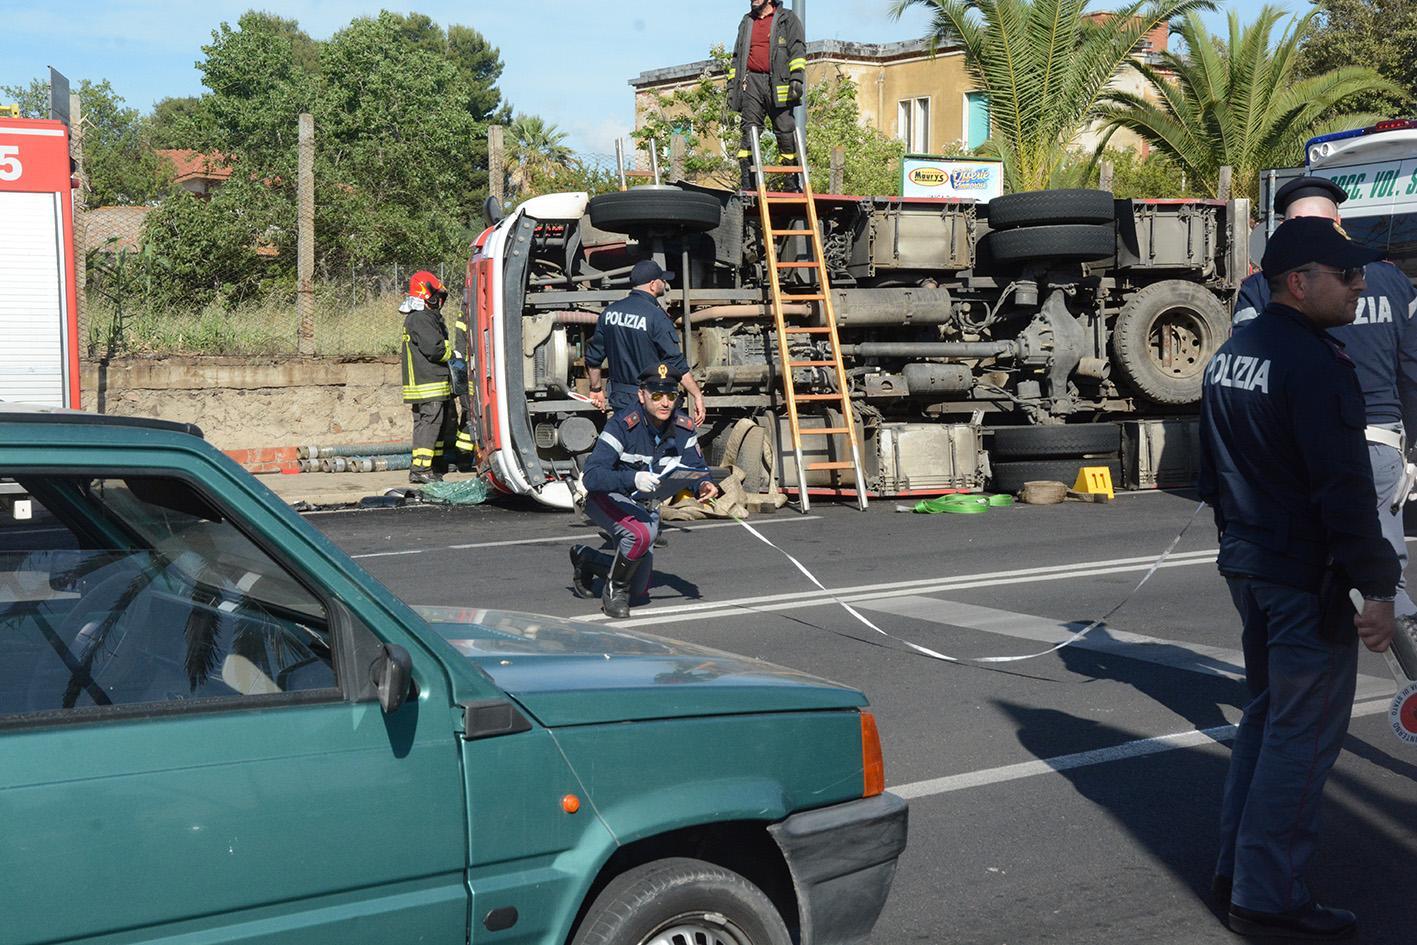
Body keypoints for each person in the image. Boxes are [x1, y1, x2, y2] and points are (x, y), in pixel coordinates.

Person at [1199, 216, 1399, 940]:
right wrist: (1376, 590)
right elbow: (1343, 494)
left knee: (1265, 717)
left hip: (1249, 564)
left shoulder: (1233, 352)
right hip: (1300, 576)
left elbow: (1209, 478)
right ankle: (1268, 890)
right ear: (1297, 281)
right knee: (1303, 733)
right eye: (1344, 275)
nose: (1358, 285)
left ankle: (1235, 867)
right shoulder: (1316, 364)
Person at [570, 363, 719, 618]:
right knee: (640, 534)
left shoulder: (683, 427)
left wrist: (703, 484)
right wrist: (633, 478)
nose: (665, 403)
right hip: (607, 498)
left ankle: (587, 558)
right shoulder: (622, 425)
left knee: (640, 590)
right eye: (657, 395)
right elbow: (592, 477)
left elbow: (695, 467)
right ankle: (614, 591)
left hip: (645, 505)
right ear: (642, 395)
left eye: (671, 396)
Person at [585, 259, 706, 424]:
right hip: (651, 401)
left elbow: (594, 357)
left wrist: (596, 389)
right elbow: (675, 363)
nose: (665, 283)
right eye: (662, 280)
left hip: (620, 401)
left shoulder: (609, 313)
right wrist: (697, 394)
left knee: (627, 445)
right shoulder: (657, 317)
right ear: (653, 284)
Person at [728, 0, 806, 191]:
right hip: (751, 83)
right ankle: (748, 183)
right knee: (748, 131)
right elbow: (737, 57)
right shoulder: (746, 22)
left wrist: (797, 78)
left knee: (785, 132)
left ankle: (791, 183)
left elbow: (797, 49)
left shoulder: (787, 19)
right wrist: (732, 87)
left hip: (779, 83)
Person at [399, 270, 457, 484]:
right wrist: (454, 353)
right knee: (429, 424)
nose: (440, 301)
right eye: (437, 296)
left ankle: (433, 465)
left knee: (435, 424)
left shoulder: (421, 317)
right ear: (427, 295)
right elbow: (435, 349)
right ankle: (421, 470)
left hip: (430, 383)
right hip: (428, 383)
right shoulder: (422, 318)